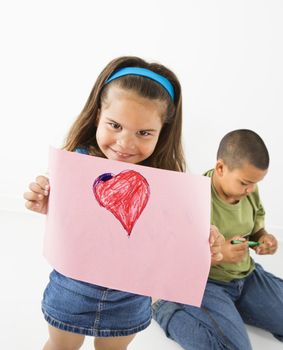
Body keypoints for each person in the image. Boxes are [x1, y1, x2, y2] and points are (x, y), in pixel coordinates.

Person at [23, 56, 224, 350]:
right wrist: (46, 204)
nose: (125, 144)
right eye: (115, 125)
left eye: (143, 133)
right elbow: (70, 221)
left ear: (162, 132)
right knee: (60, 346)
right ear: (97, 117)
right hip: (72, 289)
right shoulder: (77, 163)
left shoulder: (168, 183)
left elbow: (176, 235)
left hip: (129, 297)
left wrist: (206, 241)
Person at [153, 129, 283, 350]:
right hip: (205, 283)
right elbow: (175, 257)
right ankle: (165, 307)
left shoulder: (250, 191)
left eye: (255, 183)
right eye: (244, 183)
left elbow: (256, 224)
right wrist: (218, 254)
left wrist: (263, 238)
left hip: (246, 276)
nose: (250, 189)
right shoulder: (193, 197)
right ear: (221, 168)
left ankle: (235, 309)